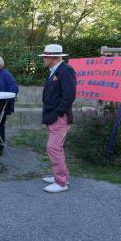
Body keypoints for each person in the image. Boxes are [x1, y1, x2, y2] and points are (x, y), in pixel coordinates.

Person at [39, 44, 76, 193]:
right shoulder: (55, 70)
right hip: (53, 116)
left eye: (45, 57)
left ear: (53, 58)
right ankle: (60, 177)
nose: (43, 60)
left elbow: (69, 95)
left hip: (59, 117)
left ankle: (61, 183)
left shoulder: (66, 70)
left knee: (53, 148)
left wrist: (58, 113)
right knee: (56, 148)